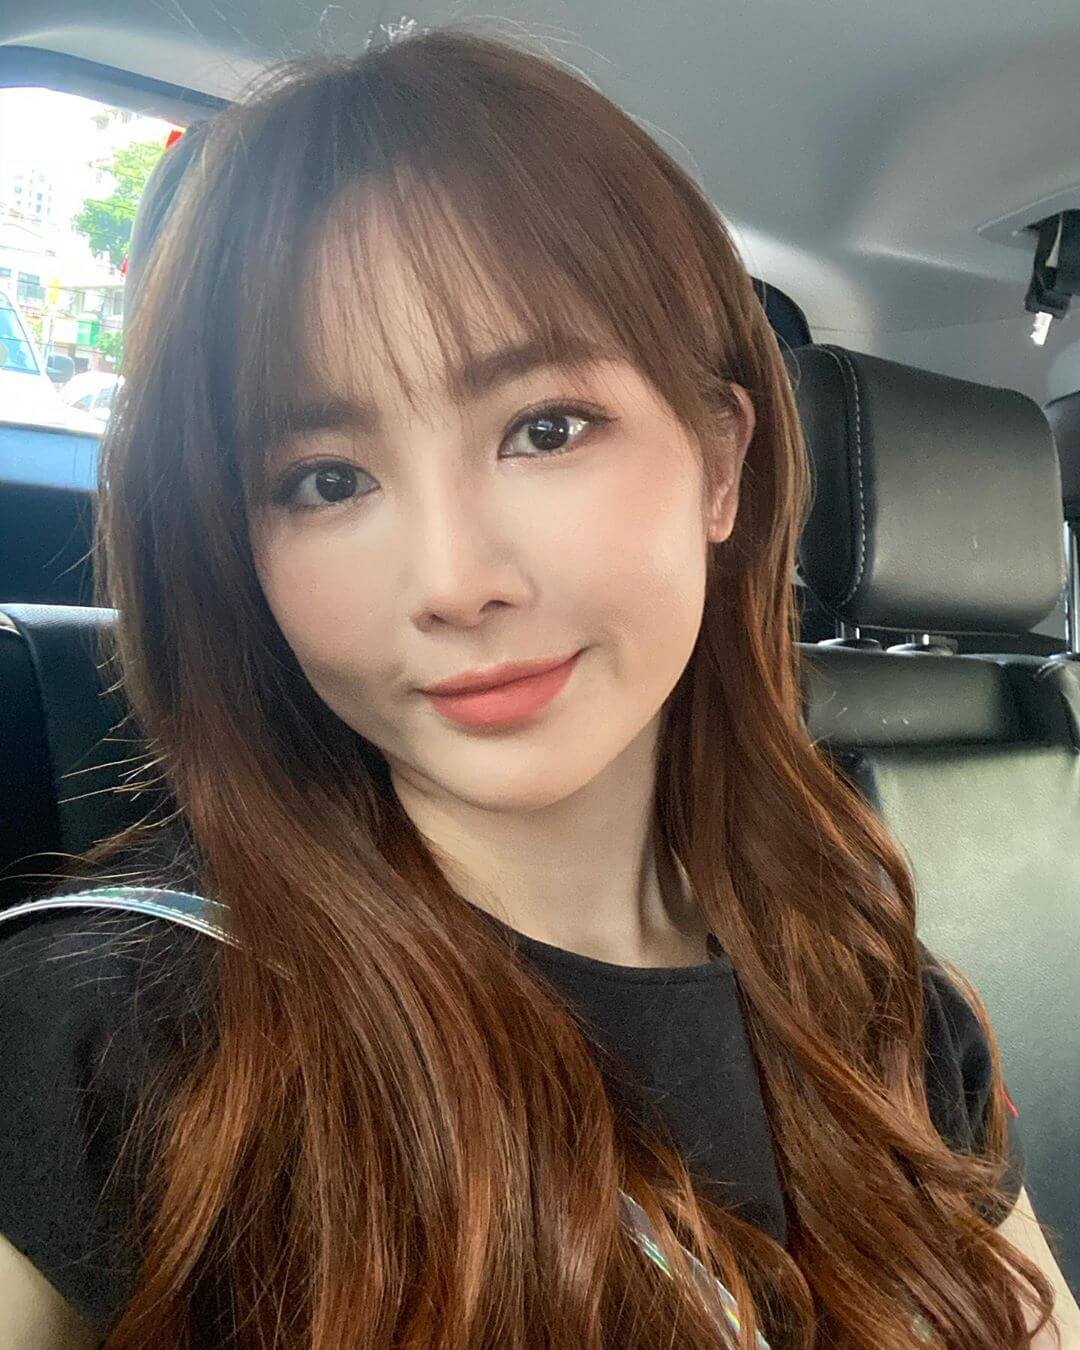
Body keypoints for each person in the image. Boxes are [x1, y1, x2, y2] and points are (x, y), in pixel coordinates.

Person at [0, 25, 1074, 1350]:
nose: (453, 581)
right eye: (327, 481)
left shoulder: (883, 994)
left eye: (544, 428)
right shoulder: (108, 1037)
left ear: (720, 464)